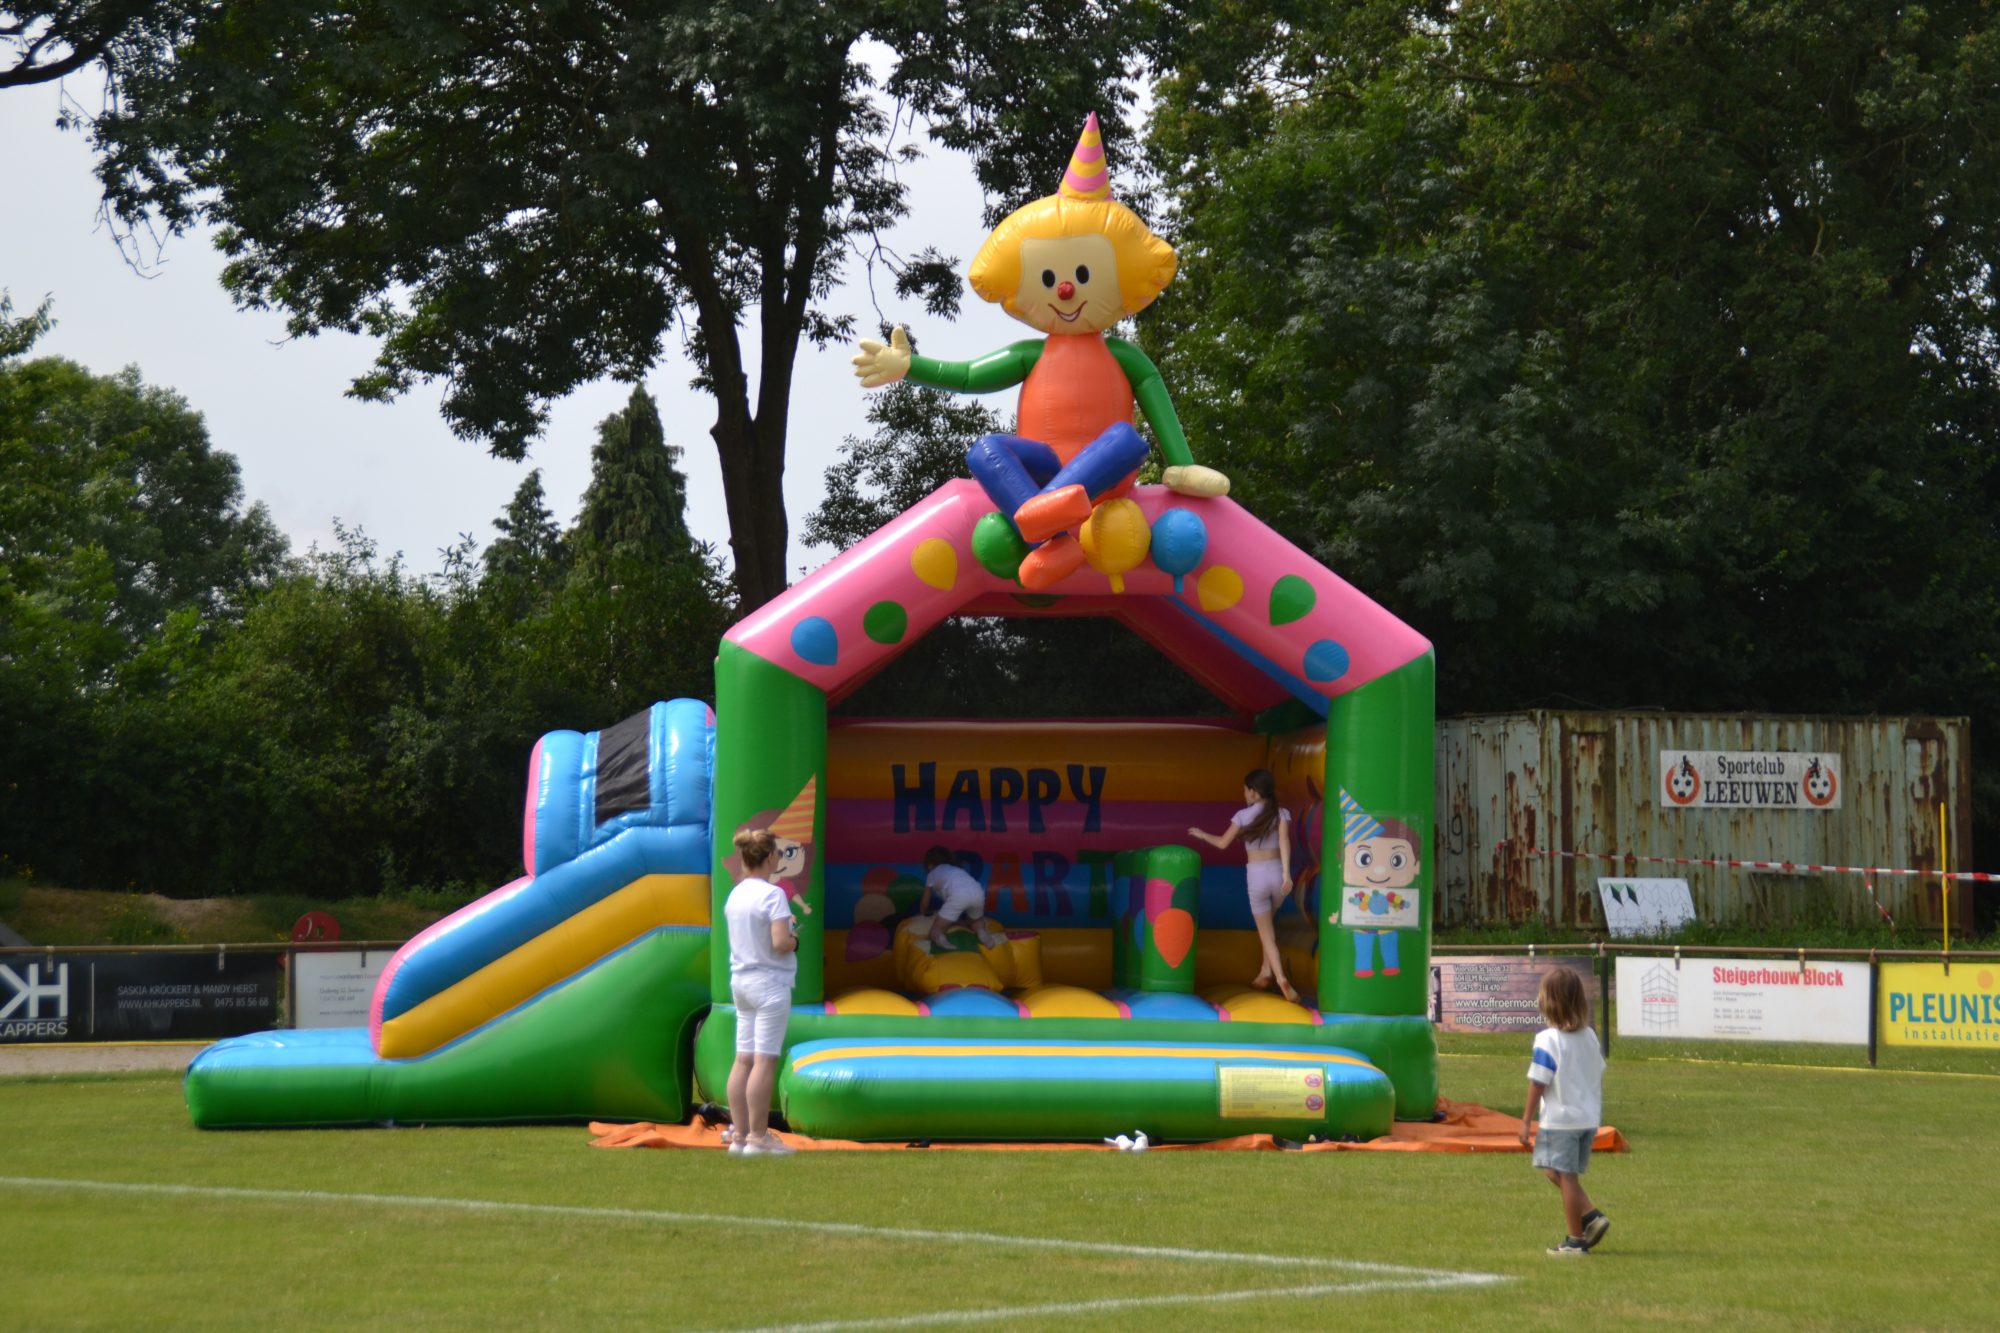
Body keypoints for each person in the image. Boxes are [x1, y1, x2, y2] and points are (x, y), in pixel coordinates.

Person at [1519, 967, 1611, 1255]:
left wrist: (1526, 1121)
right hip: (1586, 1118)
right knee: (1551, 1169)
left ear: (1547, 1002)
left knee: (1567, 1177)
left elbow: (1538, 1082)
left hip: (1561, 1120)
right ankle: (1591, 1215)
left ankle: (1575, 1240)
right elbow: (1597, 1070)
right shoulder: (1589, 1036)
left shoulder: (1548, 1040)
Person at [1187, 769, 1299, 1003]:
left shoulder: (1242, 816)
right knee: (1269, 926)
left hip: (1256, 875)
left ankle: (1281, 978)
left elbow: (1222, 843)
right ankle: (1265, 972)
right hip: (1278, 874)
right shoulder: (1281, 813)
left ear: (1253, 791)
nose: (1244, 794)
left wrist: (1202, 834)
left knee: (1266, 934)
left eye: (1246, 790)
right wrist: (1287, 875)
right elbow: (1284, 841)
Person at [723, 828, 800, 1158]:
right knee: (764, 1061)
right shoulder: (773, 894)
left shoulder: (736, 894)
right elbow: (780, 943)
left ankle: (739, 1137)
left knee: (743, 1059)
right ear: (770, 857)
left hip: (741, 981)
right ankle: (757, 1138)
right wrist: (795, 939)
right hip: (769, 983)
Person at [918, 845, 998, 949]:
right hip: (978, 892)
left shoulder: (932, 874)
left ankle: (940, 938)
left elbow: (925, 901)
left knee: (935, 930)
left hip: (958, 896)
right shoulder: (956, 869)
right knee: (975, 921)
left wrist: (923, 913)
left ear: (929, 865)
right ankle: (982, 932)